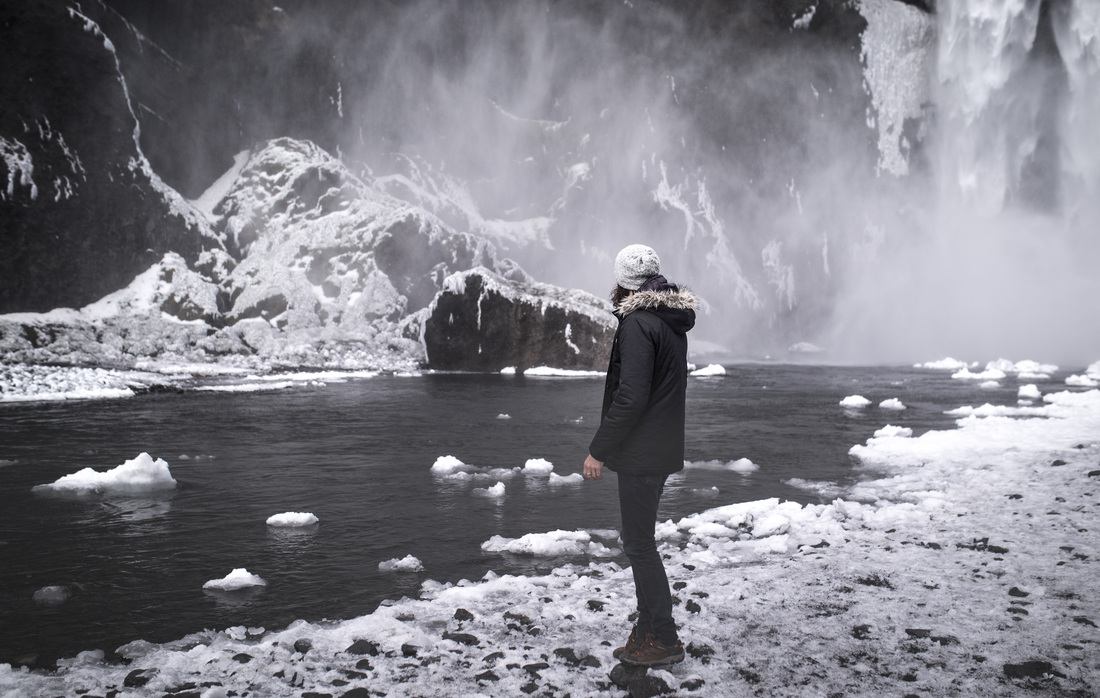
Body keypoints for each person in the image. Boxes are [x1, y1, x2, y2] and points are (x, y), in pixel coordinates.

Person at [582, 243, 697, 667]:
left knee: (639, 545)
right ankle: (647, 629)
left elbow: (630, 397)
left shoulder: (637, 325)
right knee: (640, 542)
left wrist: (598, 449)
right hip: (660, 446)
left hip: (641, 452)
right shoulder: (670, 322)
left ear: (623, 283)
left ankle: (664, 638)